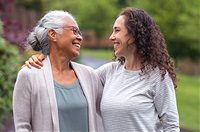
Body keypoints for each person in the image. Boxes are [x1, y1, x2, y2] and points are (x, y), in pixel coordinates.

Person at [24, 7, 180, 132]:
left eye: (117, 30)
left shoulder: (157, 76)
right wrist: (43, 59)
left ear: (132, 36)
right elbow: (68, 75)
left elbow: (171, 126)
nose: (111, 37)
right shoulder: (108, 72)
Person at [13, 10, 103, 132]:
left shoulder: (90, 75)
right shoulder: (29, 75)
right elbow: (22, 127)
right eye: (74, 31)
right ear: (52, 34)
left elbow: (107, 112)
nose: (80, 37)